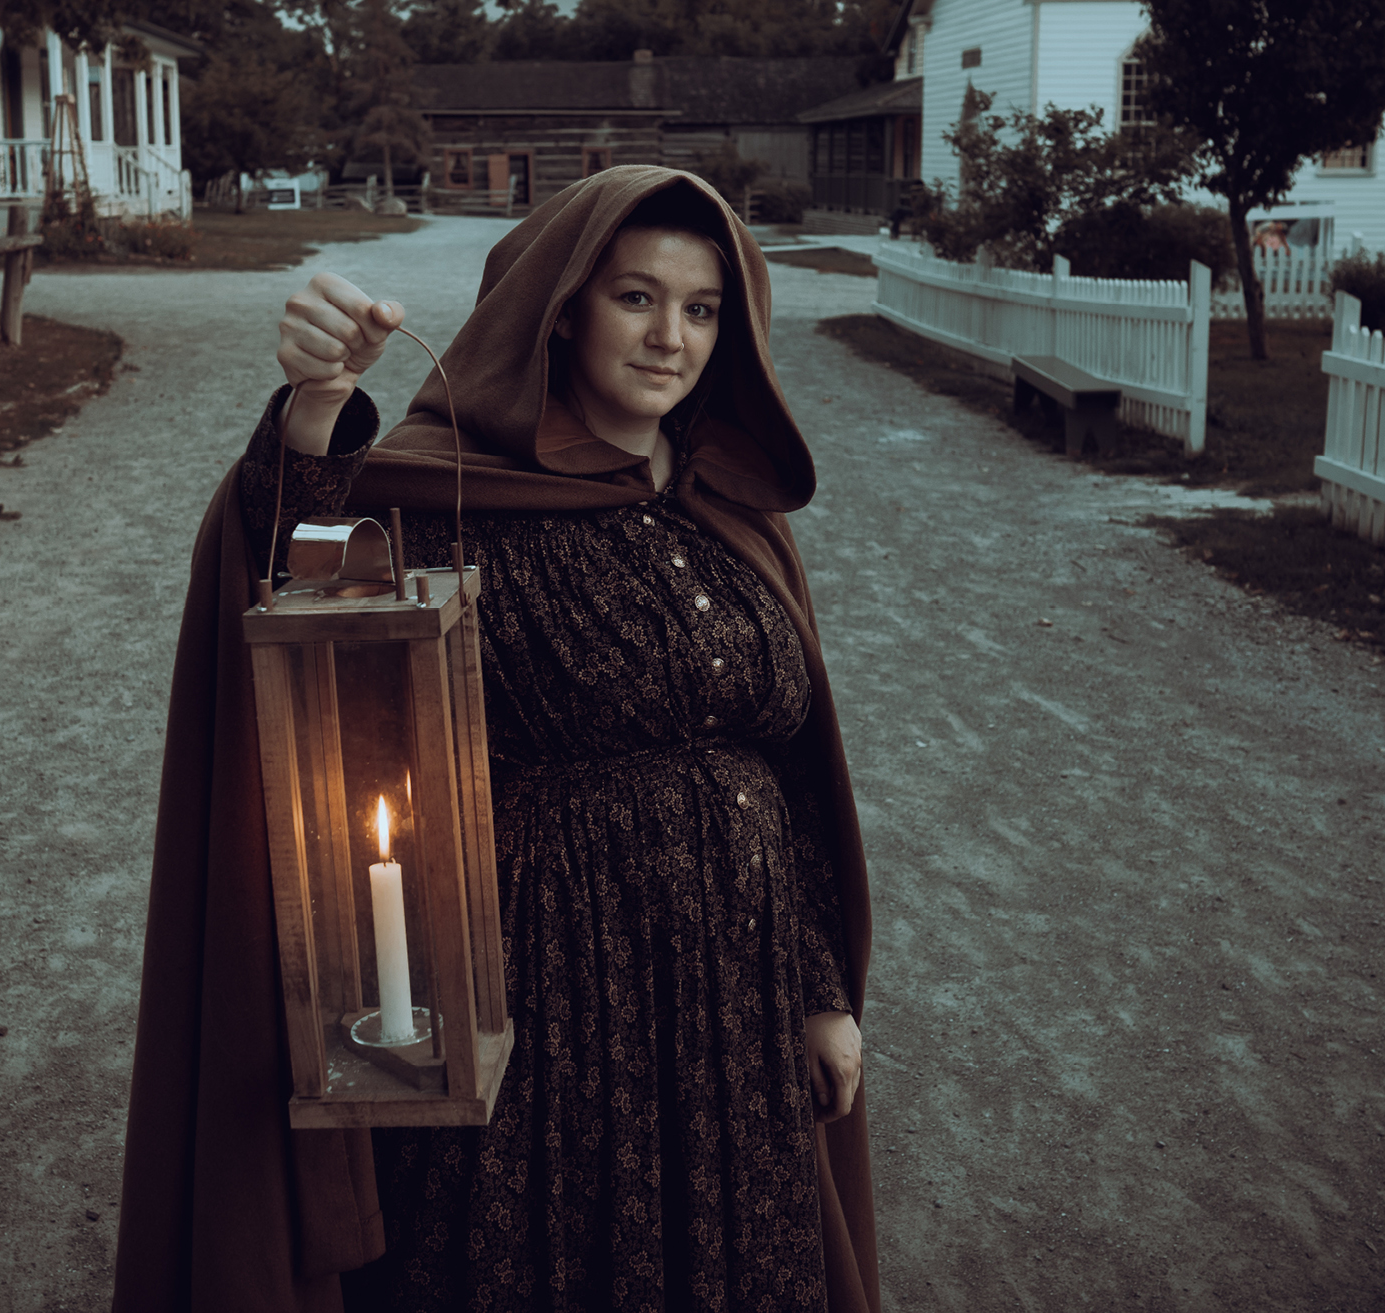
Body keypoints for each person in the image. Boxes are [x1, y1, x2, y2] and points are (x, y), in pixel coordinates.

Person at [111, 167, 881, 1313]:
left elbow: (787, 775)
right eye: (636, 297)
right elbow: (301, 567)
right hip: (552, 997)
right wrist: (315, 411)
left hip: (732, 1011)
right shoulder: (453, 493)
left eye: (702, 307)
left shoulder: (732, 507)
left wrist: (818, 988)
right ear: (562, 306)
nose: (671, 336)